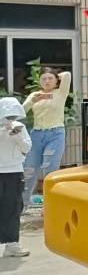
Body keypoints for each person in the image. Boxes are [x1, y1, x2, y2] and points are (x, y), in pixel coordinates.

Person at [22, 68, 72, 207]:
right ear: (39, 81)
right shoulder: (34, 94)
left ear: (56, 81)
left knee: (50, 169)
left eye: (50, 78)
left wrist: (56, 76)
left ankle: (50, 206)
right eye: (43, 79)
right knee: (30, 169)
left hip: (55, 134)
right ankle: (23, 203)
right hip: (37, 134)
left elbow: (67, 75)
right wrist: (32, 101)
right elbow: (21, 111)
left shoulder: (61, 92)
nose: (47, 81)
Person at [1, 97, 32, 257]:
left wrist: (17, 135)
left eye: (13, 115)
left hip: (14, 171)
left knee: (13, 207)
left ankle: (12, 244)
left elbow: (26, 148)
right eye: (8, 115)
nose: (10, 119)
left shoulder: (20, 127)